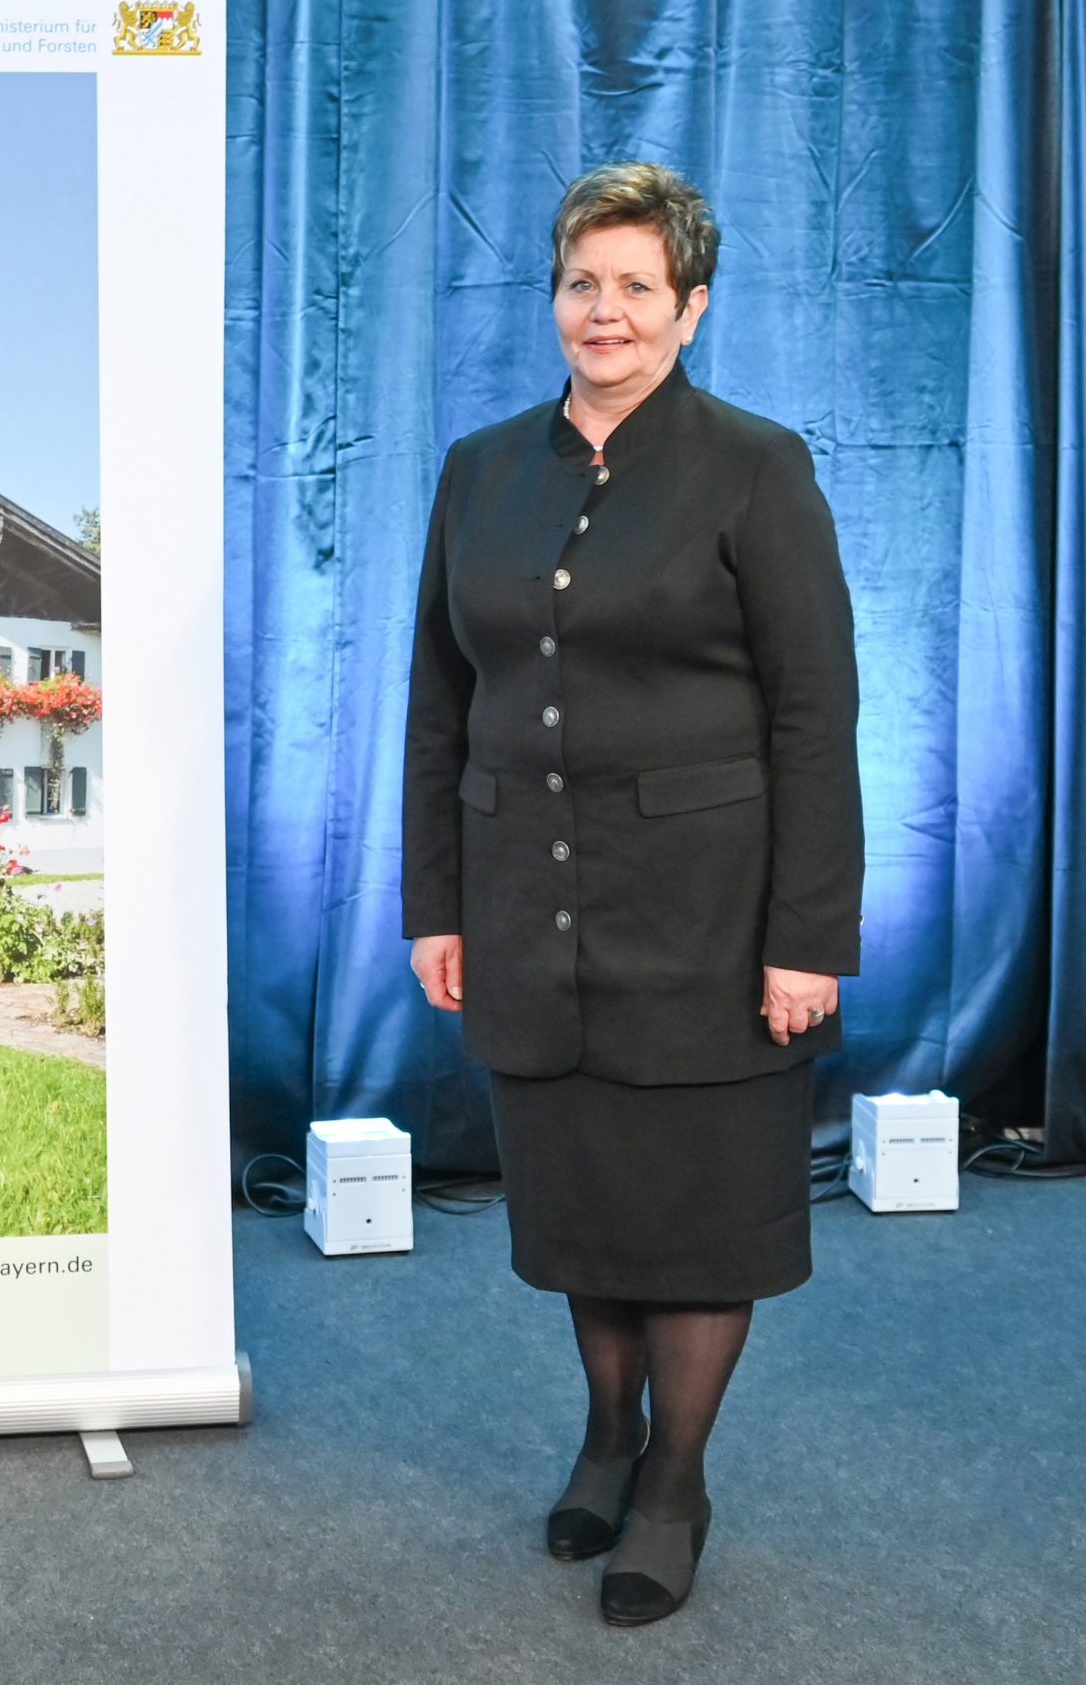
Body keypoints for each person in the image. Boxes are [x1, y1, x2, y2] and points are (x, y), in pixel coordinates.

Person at [401, 162, 863, 1627]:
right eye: (582, 283)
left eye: (637, 287)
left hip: (710, 920)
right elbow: (438, 704)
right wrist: (436, 904)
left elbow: (815, 717)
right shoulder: (480, 468)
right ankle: (607, 1438)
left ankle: (675, 1482)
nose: (605, 311)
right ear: (554, 297)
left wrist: (808, 938)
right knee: (583, 1199)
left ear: (692, 307)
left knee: (698, 1213)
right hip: (525, 909)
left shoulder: (756, 467)